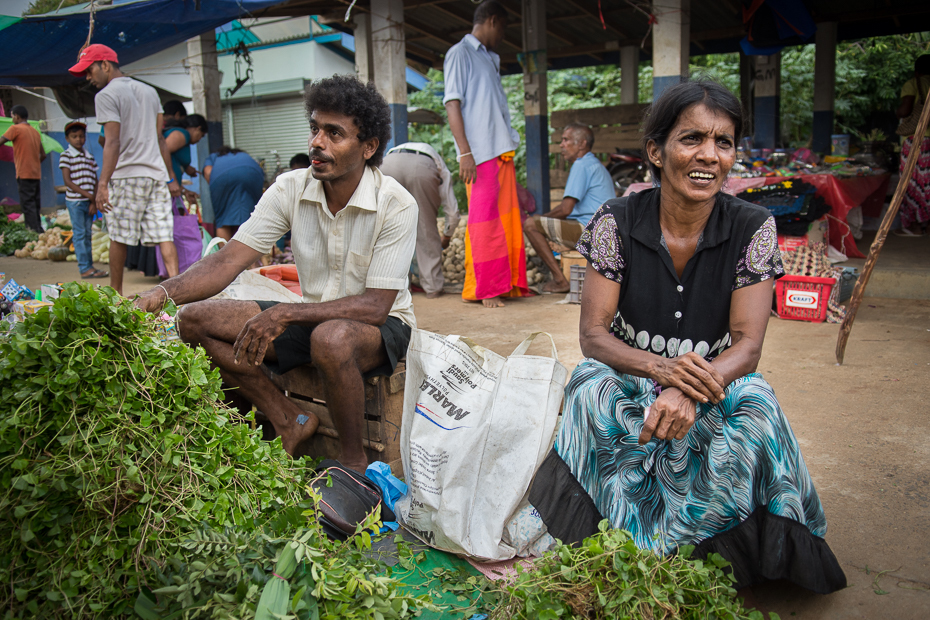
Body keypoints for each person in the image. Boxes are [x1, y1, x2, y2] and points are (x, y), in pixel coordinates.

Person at [535, 80, 846, 595]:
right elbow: (593, 335)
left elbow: (747, 345)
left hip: (713, 379)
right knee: (590, 385)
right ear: (656, 152)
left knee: (757, 402)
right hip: (631, 370)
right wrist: (660, 371)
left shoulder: (753, 226)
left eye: (723, 142)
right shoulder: (617, 219)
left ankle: (724, 552)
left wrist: (688, 388)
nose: (709, 156)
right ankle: (619, 537)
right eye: (691, 139)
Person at [134, 75, 417, 471]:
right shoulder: (289, 188)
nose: (317, 142)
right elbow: (227, 260)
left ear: (368, 147)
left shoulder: (396, 204)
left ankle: (353, 463)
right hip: (315, 317)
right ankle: (289, 419)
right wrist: (159, 295)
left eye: (335, 133)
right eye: (315, 128)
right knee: (194, 319)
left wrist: (283, 314)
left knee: (331, 338)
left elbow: (375, 306)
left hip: (380, 327)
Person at [69, 44, 181, 295]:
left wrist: (102, 184)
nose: (88, 77)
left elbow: (112, 141)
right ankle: (178, 295)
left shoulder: (106, 95)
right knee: (165, 236)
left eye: (89, 70)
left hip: (127, 176)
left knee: (119, 237)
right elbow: (161, 140)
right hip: (155, 176)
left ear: (105, 65)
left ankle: (115, 295)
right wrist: (170, 177)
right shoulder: (151, 92)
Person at [443, 0, 529, 308]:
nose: (503, 35)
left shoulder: (490, 59)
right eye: (503, 28)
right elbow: (452, 104)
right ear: (492, 21)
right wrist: (465, 153)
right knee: (484, 223)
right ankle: (486, 288)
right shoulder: (460, 53)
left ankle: (506, 284)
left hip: (501, 152)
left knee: (506, 222)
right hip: (479, 157)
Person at [524, 123, 615, 293]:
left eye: (566, 140)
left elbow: (565, 209)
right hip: (602, 231)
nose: (561, 145)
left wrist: (541, 219)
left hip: (591, 231)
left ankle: (560, 280)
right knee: (540, 223)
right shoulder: (593, 163)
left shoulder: (582, 164)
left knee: (530, 224)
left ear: (581, 144)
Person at [381, 142, 461, 298]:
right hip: (422, 167)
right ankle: (432, 287)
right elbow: (452, 211)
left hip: (388, 163)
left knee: (391, 228)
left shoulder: (396, 151)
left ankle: (397, 289)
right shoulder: (441, 167)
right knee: (426, 227)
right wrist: (447, 236)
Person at [59, 120, 107, 279]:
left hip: (88, 202)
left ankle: (89, 266)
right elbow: (68, 181)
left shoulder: (89, 157)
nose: (78, 139)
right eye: (74, 137)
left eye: (81, 136)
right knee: (79, 235)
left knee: (87, 234)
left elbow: (94, 180)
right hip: (76, 202)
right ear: (67, 139)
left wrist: (93, 201)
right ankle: (84, 268)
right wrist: (89, 197)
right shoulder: (66, 156)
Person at [894, 54, 930, 237]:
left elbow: (905, 110)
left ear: (917, 71)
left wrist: (898, 111)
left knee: (911, 183)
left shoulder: (914, 84)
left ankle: (916, 225)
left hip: (917, 140)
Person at [0, 105, 46, 233]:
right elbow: (43, 155)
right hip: (36, 173)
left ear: (17, 116)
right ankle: (39, 229)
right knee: (35, 202)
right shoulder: (35, 132)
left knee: (27, 204)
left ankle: (32, 230)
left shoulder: (15, 129)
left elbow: (1, 141)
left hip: (24, 173)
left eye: (12, 116)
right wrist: (34, 164)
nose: (12, 119)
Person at [203, 146, 264, 241]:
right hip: (252, 174)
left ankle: (226, 255)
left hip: (223, 177)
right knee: (252, 218)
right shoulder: (244, 156)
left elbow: (208, 172)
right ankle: (252, 254)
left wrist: (217, 190)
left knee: (222, 221)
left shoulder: (214, 157)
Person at [164, 113, 208, 204]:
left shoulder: (183, 138)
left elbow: (172, 158)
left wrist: (185, 167)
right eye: (201, 135)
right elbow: (163, 151)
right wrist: (171, 179)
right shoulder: (183, 134)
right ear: (198, 128)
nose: (199, 139)